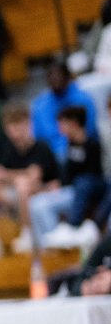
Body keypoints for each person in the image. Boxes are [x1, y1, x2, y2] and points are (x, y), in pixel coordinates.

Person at [0, 102, 61, 259]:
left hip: (43, 192)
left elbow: (33, 176)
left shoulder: (40, 147)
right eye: (11, 127)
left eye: (18, 125)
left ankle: (27, 234)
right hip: (13, 196)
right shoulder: (6, 147)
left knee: (22, 184)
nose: (15, 131)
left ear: (28, 124)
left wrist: (5, 175)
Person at [33, 105, 107, 250]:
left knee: (83, 181)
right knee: (38, 203)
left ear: (73, 123)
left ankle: (73, 226)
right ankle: (50, 246)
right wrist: (58, 184)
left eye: (61, 123)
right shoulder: (70, 145)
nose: (59, 128)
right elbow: (67, 175)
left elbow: (97, 172)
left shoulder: (93, 144)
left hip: (93, 188)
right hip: (75, 190)